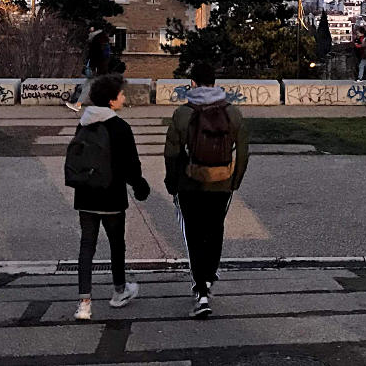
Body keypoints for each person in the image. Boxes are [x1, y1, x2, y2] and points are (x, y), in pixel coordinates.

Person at [164, 61, 249, 318]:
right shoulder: (232, 113)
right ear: (215, 83)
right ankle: (209, 278)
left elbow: (171, 153)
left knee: (194, 234)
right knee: (214, 231)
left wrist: (172, 181)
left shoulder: (182, 114)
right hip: (222, 182)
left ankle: (200, 291)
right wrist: (235, 180)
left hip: (189, 183)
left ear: (192, 83)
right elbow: (243, 152)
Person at [69, 74, 150, 320]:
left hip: (85, 195)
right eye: (121, 94)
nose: (124, 97)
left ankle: (84, 303)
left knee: (87, 247)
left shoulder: (83, 124)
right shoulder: (120, 127)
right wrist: (140, 186)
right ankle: (119, 291)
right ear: (112, 100)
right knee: (117, 245)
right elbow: (131, 165)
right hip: (112, 197)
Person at [66, 28, 112, 112]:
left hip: (97, 71)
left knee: (88, 86)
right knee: (89, 86)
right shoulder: (101, 44)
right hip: (98, 70)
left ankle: (78, 105)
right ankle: (78, 104)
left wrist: (93, 68)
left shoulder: (97, 44)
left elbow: (97, 59)